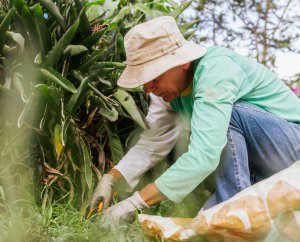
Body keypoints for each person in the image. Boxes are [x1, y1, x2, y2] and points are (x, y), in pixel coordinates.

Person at [89, 16, 300, 225]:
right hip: (261, 170)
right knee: (200, 225)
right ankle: (233, 214)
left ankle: (233, 214)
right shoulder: (167, 93)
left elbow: (205, 155)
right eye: (144, 81)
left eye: (154, 76)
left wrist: (135, 203)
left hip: (293, 155)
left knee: (224, 120)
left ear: (183, 62)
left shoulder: (216, 70)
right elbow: (151, 145)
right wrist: (112, 178)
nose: (148, 88)